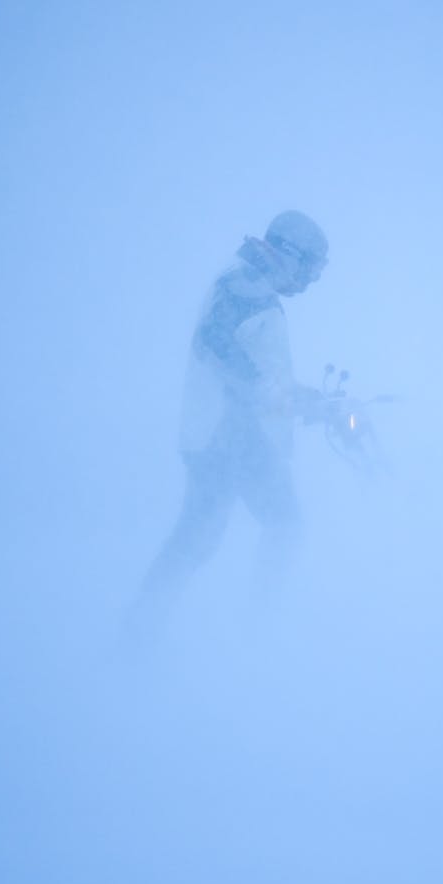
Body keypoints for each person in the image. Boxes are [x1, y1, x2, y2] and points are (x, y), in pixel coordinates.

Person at [128, 210, 329, 633]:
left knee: (205, 537)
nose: (311, 281)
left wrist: (306, 399)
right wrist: (273, 395)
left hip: (232, 436)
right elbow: (215, 344)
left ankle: (145, 626)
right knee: (276, 525)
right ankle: (257, 630)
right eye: (311, 268)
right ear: (290, 255)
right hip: (230, 437)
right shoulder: (245, 286)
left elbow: (259, 369)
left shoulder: (251, 286)